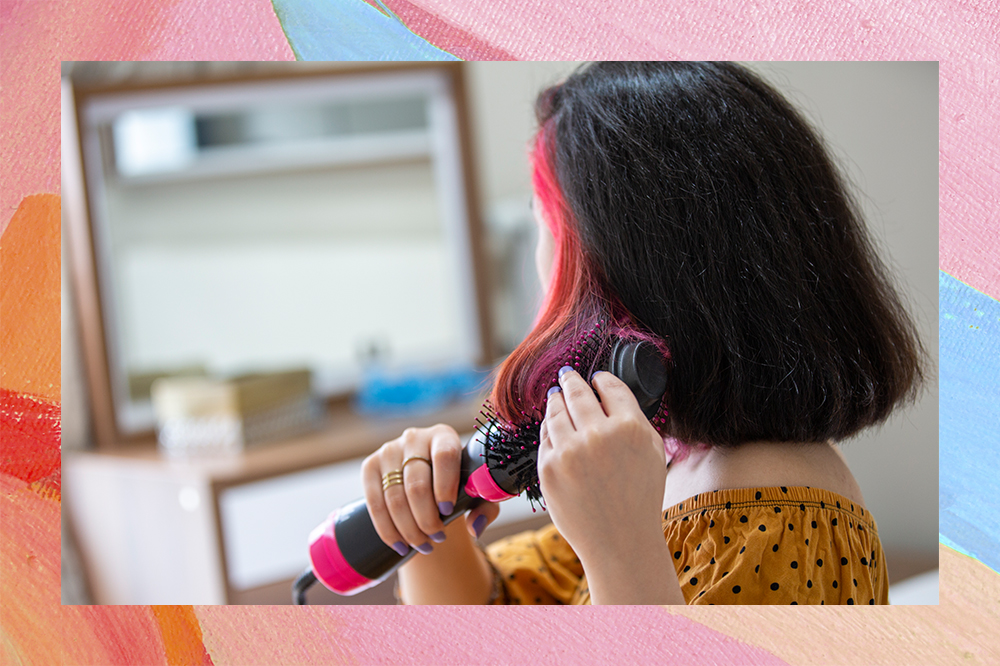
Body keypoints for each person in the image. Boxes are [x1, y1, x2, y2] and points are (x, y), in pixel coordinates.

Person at [360, 62, 925, 605]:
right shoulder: (667, 465)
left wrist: (620, 550)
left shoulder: (776, 516)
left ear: (619, 267)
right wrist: (428, 527)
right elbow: (503, 609)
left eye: (543, 226)